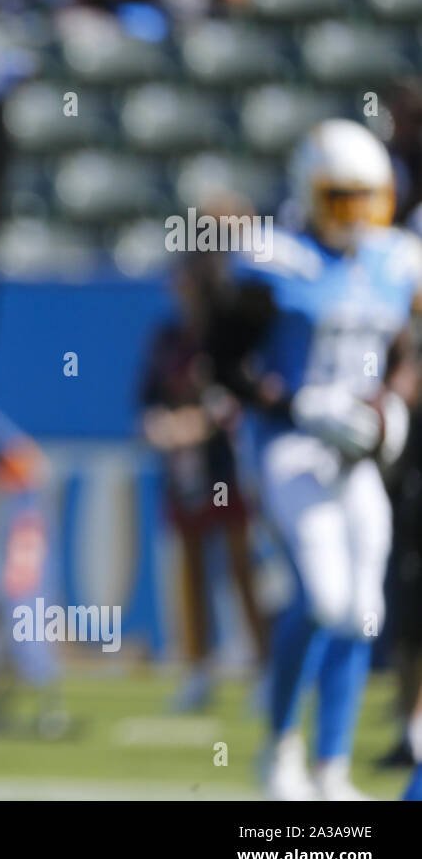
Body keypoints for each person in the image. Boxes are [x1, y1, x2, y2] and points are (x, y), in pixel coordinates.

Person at [204, 119, 422, 799]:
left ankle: (331, 767)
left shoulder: (395, 259)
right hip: (291, 446)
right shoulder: (274, 260)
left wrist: (391, 406)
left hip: (357, 450)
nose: (355, 214)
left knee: (363, 609)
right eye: (340, 198)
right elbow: (224, 362)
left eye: (366, 198)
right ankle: (279, 748)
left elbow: (406, 352)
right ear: (309, 192)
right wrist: (295, 403)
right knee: (326, 599)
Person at [140, 253, 267, 712]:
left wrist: (196, 423)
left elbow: (234, 398)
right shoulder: (167, 337)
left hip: (225, 467)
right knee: (190, 568)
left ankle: (265, 666)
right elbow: (147, 397)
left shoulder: (222, 336)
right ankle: (198, 670)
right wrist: (160, 426)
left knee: (240, 567)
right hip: (182, 471)